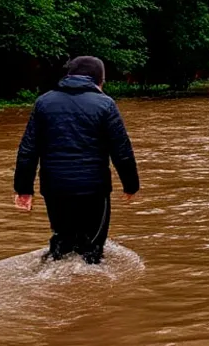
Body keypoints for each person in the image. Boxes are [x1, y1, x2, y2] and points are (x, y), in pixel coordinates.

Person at [13, 56, 140, 264]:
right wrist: (131, 185)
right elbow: (122, 150)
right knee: (92, 250)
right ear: (99, 80)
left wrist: (23, 189)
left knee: (62, 242)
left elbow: (27, 150)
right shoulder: (105, 104)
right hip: (93, 189)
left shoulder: (43, 102)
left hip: (55, 188)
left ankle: (53, 276)